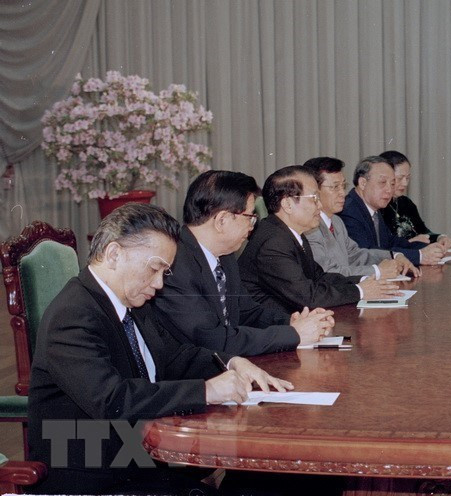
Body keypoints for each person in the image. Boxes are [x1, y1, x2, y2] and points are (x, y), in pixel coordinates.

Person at [27, 203, 291, 494]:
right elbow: (113, 399)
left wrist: (231, 363)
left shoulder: (132, 301)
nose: (159, 283)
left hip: (133, 452)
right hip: (92, 470)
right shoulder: (73, 314)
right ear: (114, 254)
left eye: (164, 272)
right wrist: (206, 391)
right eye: (154, 269)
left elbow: (175, 356)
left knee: (260, 478)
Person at [150, 170, 333, 356]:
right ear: (222, 220)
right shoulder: (174, 265)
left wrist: (293, 322)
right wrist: (294, 334)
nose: (252, 227)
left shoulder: (225, 255)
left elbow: (248, 312)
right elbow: (213, 339)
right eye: (250, 217)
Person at [239, 165, 402, 313]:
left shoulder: (292, 233)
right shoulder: (273, 242)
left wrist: (365, 281)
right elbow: (308, 297)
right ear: (288, 204)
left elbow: (320, 277)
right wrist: (361, 291)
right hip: (268, 326)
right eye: (314, 198)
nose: (320, 205)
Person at [303, 156, 420, 279]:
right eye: (335, 187)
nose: (342, 193)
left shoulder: (336, 221)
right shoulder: (309, 228)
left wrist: (394, 256)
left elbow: (356, 255)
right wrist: (377, 271)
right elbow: (328, 273)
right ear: (314, 191)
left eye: (343, 186)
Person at [338, 156, 445, 265]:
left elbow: (390, 242)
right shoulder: (349, 211)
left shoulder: (373, 207)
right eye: (382, 182)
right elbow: (367, 253)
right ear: (363, 183)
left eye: (392, 184)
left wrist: (427, 248)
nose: (389, 190)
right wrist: (419, 256)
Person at [379, 150, 451, 249]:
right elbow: (382, 245)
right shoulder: (378, 206)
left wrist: (440, 238)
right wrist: (410, 242)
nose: (405, 183)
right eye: (400, 178)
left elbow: (423, 231)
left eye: (407, 178)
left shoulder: (406, 203)